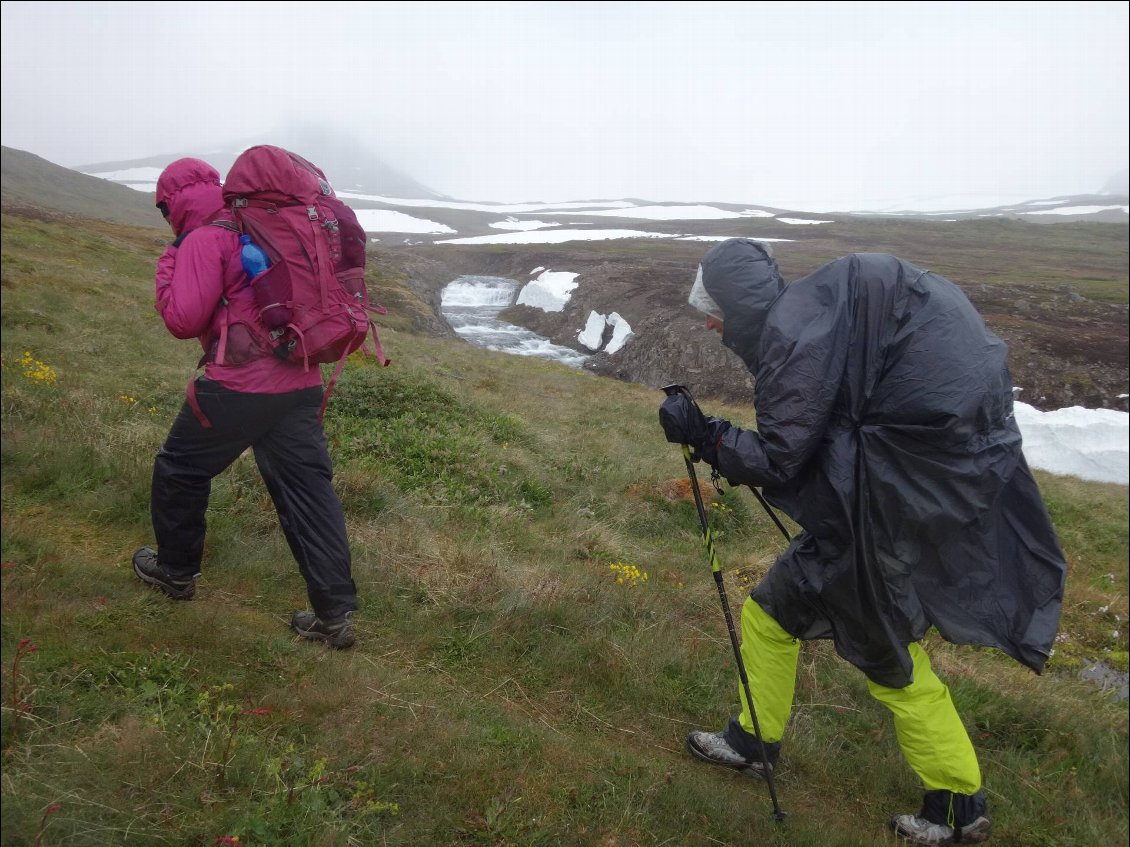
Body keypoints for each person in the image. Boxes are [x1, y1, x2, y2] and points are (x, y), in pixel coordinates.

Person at [659, 238, 1067, 846]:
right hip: (866, 512)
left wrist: (707, 434)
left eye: (712, 309)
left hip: (868, 528)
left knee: (892, 664)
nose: (711, 322)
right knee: (770, 614)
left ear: (736, 306)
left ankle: (959, 806)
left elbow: (780, 459)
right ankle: (751, 743)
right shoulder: (808, 321)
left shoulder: (794, 340)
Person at [131, 157, 359, 649]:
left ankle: (175, 571)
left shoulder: (205, 237)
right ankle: (334, 617)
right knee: (309, 497)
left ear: (172, 204)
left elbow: (183, 319)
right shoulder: (265, 222)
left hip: (237, 385)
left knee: (179, 471)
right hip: (300, 380)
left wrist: (169, 261)